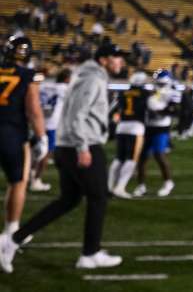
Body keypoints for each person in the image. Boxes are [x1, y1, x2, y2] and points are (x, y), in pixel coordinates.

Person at [2, 44, 128, 271]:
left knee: (68, 200)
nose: (121, 62)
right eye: (117, 57)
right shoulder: (92, 78)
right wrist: (82, 147)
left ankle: (13, 240)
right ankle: (90, 254)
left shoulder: (87, 75)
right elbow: (77, 114)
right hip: (82, 144)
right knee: (98, 197)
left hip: (69, 144)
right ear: (104, 59)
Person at [0, 35, 47, 270]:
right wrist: (42, 136)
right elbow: (34, 110)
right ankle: (11, 231)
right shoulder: (28, 75)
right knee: (18, 182)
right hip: (11, 133)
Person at [133, 70, 177, 197]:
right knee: (142, 157)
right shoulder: (151, 92)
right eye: (158, 83)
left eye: (162, 83)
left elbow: (174, 110)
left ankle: (168, 182)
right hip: (147, 127)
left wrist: (159, 112)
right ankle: (141, 186)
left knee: (159, 154)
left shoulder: (172, 93)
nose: (160, 85)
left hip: (161, 127)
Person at [108, 71, 148, 198]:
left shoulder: (122, 92)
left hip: (121, 126)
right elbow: (152, 109)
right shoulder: (145, 93)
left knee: (119, 158)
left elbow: (112, 110)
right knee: (131, 159)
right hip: (136, 127)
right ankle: (120, 188)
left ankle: (109, 187)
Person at [31, 67, 69, 194]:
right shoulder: (64, 89)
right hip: (51, 125)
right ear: (67, 79)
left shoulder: (44, 85)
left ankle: (31, 175)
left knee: (35, 151)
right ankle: (36, 180)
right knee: (46, 153)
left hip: (38, 123)